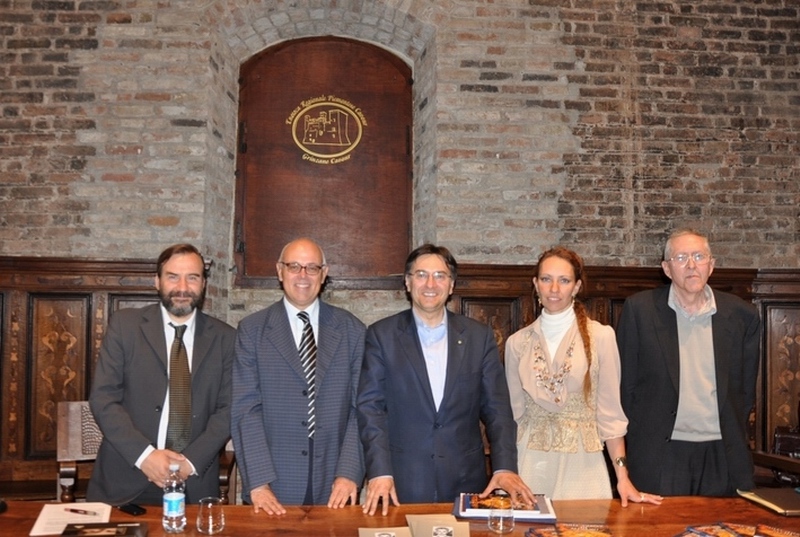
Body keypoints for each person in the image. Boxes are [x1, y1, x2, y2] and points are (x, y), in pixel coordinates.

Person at [357, 243, 536, 516]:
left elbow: (498, 410)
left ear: (451, 285)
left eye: (440, 275)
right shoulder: (382, 335)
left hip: (465, 482)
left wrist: (504, 467)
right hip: (399, 483)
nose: (431, 283)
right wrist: (379, 471)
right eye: (421, 275)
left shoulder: (479, 337)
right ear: (407, 282)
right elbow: (371, 409)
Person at [504, 247, 662, 507]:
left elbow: (610, 415)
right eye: (546, 279)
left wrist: (622, 476)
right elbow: (513, 417)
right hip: (531, 465)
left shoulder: (601, 337)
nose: (554, 288)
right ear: (535, 284)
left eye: (564, 280)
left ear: (576, 287)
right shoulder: (517, 343)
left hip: (583, 466)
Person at [88, 244, 235, 505]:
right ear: (157, 281)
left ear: (203, 284)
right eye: (172, 276)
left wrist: (190, 462)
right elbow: (104, 399)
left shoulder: (226, 338)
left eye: (192, 277)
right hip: (127, 474)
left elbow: (228, 409)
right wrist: (146, 457)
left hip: (193, 483)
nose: (182, 287)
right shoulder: (125, 326)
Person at [617, 229, 761, 496]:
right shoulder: (640, 310)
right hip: (661, 452)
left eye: (699, 256)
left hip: (722, 452)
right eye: (681, 257)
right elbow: (627, 387)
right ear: (667, 268)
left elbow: (744, 392)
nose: (692, 265)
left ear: (712, 265)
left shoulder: (742, 315)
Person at [231, 238, 366, 514]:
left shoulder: (352, 330)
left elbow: (361, 409)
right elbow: (246, 410)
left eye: (312, 267)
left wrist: (350, 472)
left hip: (335, 483)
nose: (303, 275)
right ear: (279, 271)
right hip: (273, 484)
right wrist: (258, 482)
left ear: (324, 273)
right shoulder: (252, 331)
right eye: (294, 266)